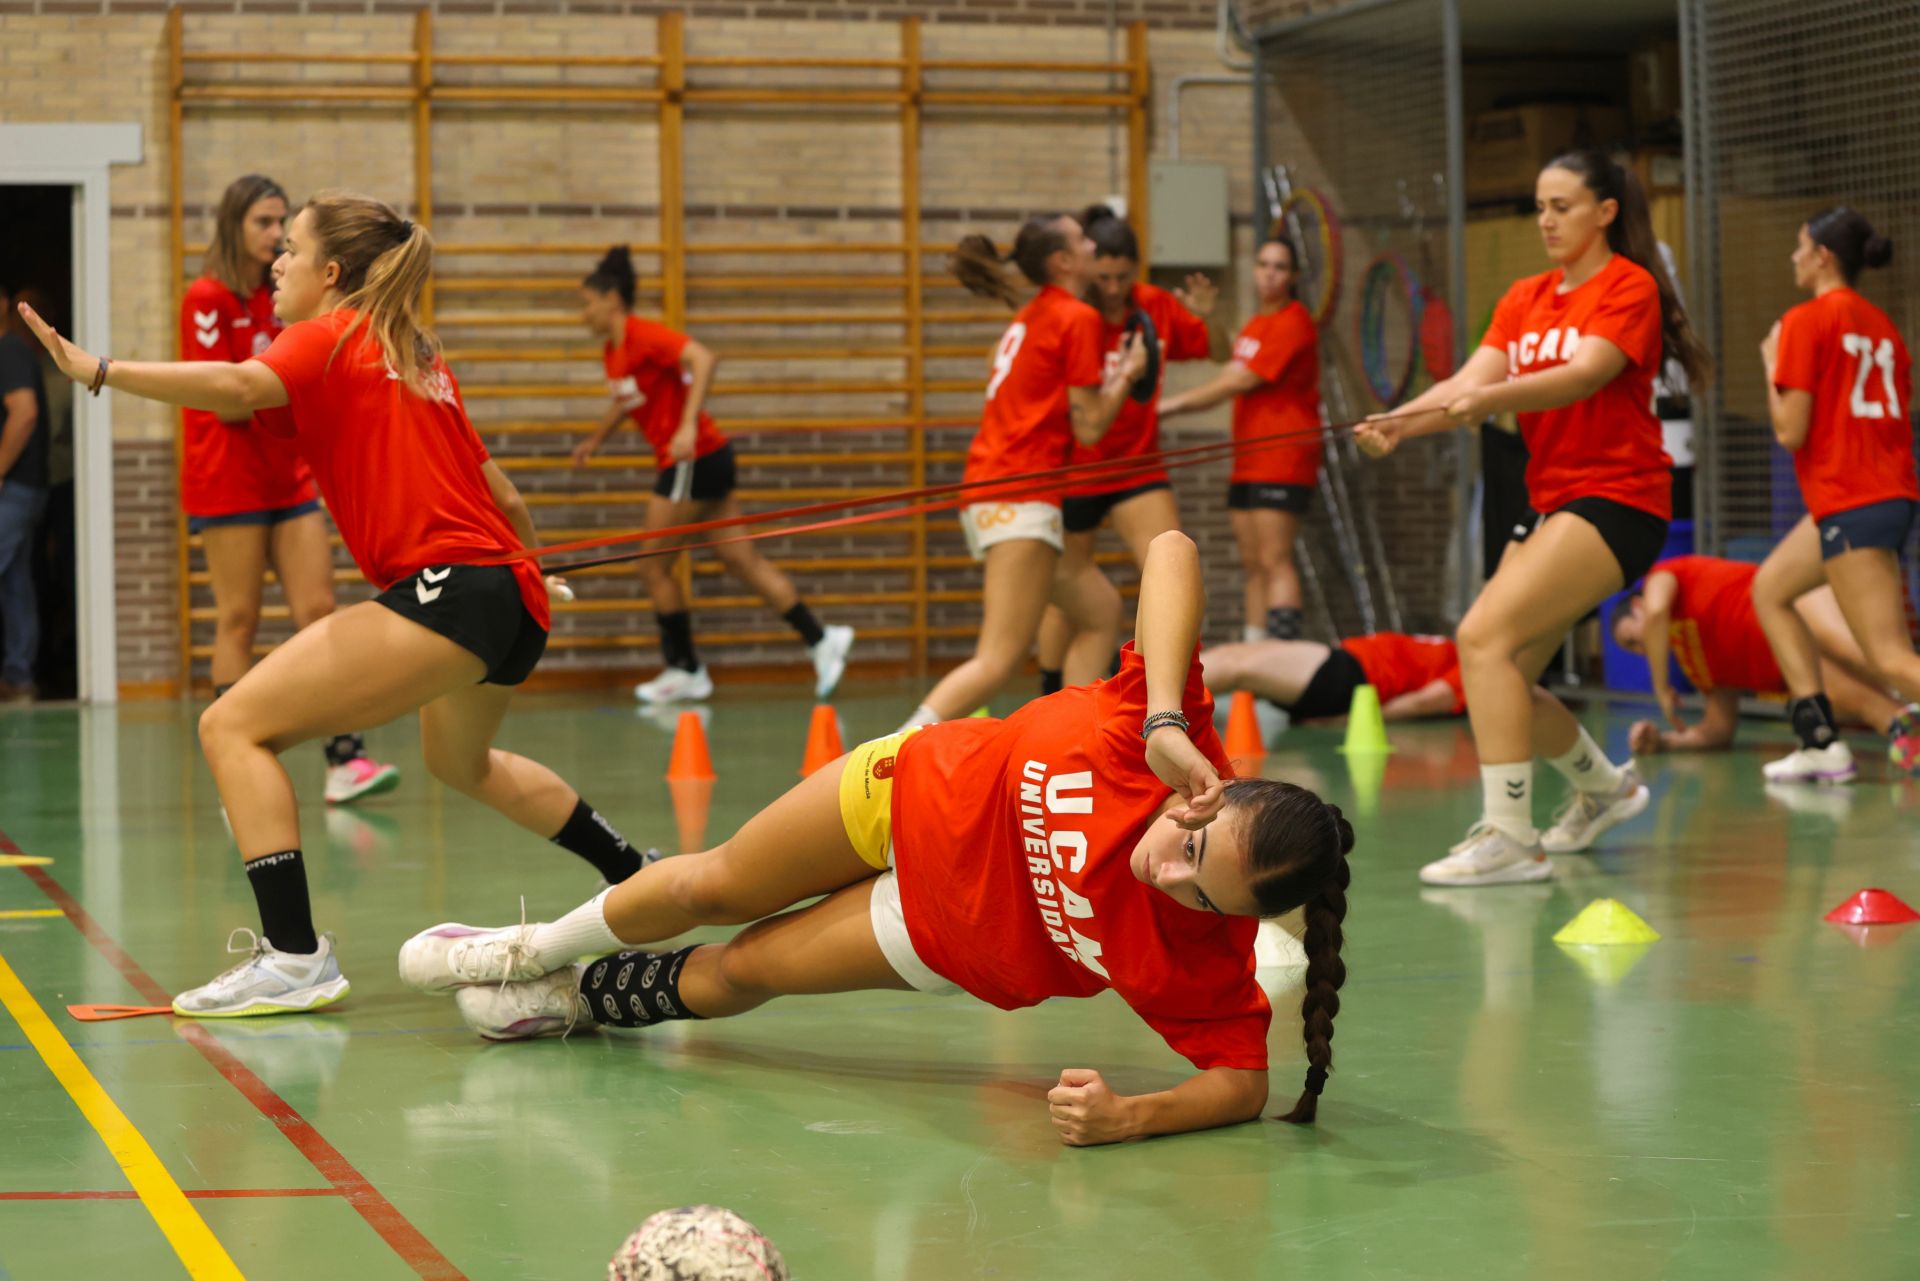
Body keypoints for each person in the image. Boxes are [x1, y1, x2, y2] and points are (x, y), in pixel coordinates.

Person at [398, 531, 1351, 1146]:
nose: (1168, 875)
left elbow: (1240, 1082)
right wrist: (1161, 719)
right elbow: (1175, 548)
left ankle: (570, 997)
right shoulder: (1169, 737)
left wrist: (1130, 1116)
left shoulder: (1201, 959)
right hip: (910, 791)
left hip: (937, 927)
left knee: (745, 971)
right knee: (713, 884)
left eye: (1200, 896)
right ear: (1211, 793)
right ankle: (530, 946)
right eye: (1191, 847)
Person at [18, 191, 645, 1016]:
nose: (276, 258)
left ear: (332, 272)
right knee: (463, 764)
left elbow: (240, 385)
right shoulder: (413, 352)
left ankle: (292, 954)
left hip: (446, 591)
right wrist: (530, 570)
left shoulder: (327, 332)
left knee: (231, 724)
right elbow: (502, 493)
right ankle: (637, 874)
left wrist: (100, 371)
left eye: (293, 248)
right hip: (509, 595)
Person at [1356, 150, 1712, 886]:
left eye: (1563, 206)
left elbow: (1584, 374)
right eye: (1540, 206)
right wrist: (1401, 422)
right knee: (1505, 669)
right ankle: (1606, 787)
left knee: (1481, 636)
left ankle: (1512, 837)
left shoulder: (1629, 287)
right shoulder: (1523, 297)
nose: (1546, 220)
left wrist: (1492, 402)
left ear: (1605, 212)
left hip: (1620, 498)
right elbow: (1466, 381)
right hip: (1554, 499)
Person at [183, 175, 399, 803]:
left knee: (318, 612)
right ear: (234, 225)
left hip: (290, 478)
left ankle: (345, 761)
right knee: (238, 620)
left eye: (281, 224)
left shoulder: (283, 296)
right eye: (262, 222)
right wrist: (285, 386)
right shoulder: (208, 296)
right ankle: (234, 776)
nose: (275, 235)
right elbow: (224, 401)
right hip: (228, 483)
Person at [572, 246, 853, 705]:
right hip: (709, 457)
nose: (583, 314)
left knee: (652, 565)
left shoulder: (645, 336)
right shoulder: (614, 352)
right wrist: (596, 440)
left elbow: (703, 358)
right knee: (743, 560)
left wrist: (685, 424)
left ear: (613, 299)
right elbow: (629, 399)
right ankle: (822, 639)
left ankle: (686, 670)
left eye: (587, 303)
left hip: (693, 458)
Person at [898, 214, 1146, 728]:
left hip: (1005, 491)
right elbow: (1093, 426)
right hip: (1018, 495)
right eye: (1081, 238)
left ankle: (1072, 732)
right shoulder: (1076, 317)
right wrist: (1127, 375)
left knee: (1100, 609)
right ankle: (889, 755)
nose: (1091, 243)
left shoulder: (1033, 314)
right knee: (998, 659)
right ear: (1063, 260)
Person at [1749, 207, 1920, 784]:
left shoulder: (1806, 320)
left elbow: (1789, 430)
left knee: (1890, 659)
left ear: (1822, 255)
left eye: (1799, 247)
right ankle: (1818, 741)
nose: (1792, 258)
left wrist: (1772, 366)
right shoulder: (1884, 327)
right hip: (1878, 493)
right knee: (1772, 588)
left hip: (1854, 500)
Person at [1033, 205, 1219, 695]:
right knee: (1068, 595)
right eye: (1104, 277)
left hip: (1138, 466)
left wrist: (1205, 317)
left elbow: (1216, 347)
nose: (1113, 288)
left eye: (1122, 277)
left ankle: (1163, 692)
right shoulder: (1074, 314)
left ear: (1134, 270)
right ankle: (1049, 691)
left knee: (1171, 565)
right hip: (1076, 469)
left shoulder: (1154, 304)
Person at [1161, 234, 1323, 642]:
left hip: (1282, 456)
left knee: (1274, 559)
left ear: (1293, 276)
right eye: (1264, 264)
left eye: (1280, 267)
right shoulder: (1257, 324)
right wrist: (1208, 318)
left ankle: (1283, 672)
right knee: (1253, 563)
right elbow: (1228, 359)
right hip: (1248, 456)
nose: (1270, 274)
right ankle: (1255, 664)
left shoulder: (1294, 321)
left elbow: (1238, 380)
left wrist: (1168, 406)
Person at [1611, 555, 1917, 762]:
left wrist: (1660, 684)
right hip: (1799, 665)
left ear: (1638, 604)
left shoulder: (1663, 577)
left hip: (1797, 606)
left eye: (1632, 637)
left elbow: (1656, 611)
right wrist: (1664, 743)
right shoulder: (1694, 663)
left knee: (1867, 658)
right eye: (1633, 648)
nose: (1641, 646)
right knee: (1879, 712)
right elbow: (1718, 729)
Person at [1201, 632, 1464, 724]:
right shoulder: (1461, 649)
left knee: (1236, 666)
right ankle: (1163, 684)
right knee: (1233, 653)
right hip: (1345, 658)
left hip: (1352, 678)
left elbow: (1431, 700)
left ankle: (1161, 697)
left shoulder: (1474, 667)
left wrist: (1349, 720)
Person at [0, 280, 50, 703]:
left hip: (15, 487)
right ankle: (18, 677)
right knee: (15, 581)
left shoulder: (8, 351)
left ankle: (18, 673)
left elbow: (24, 412)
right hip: (23, 487)